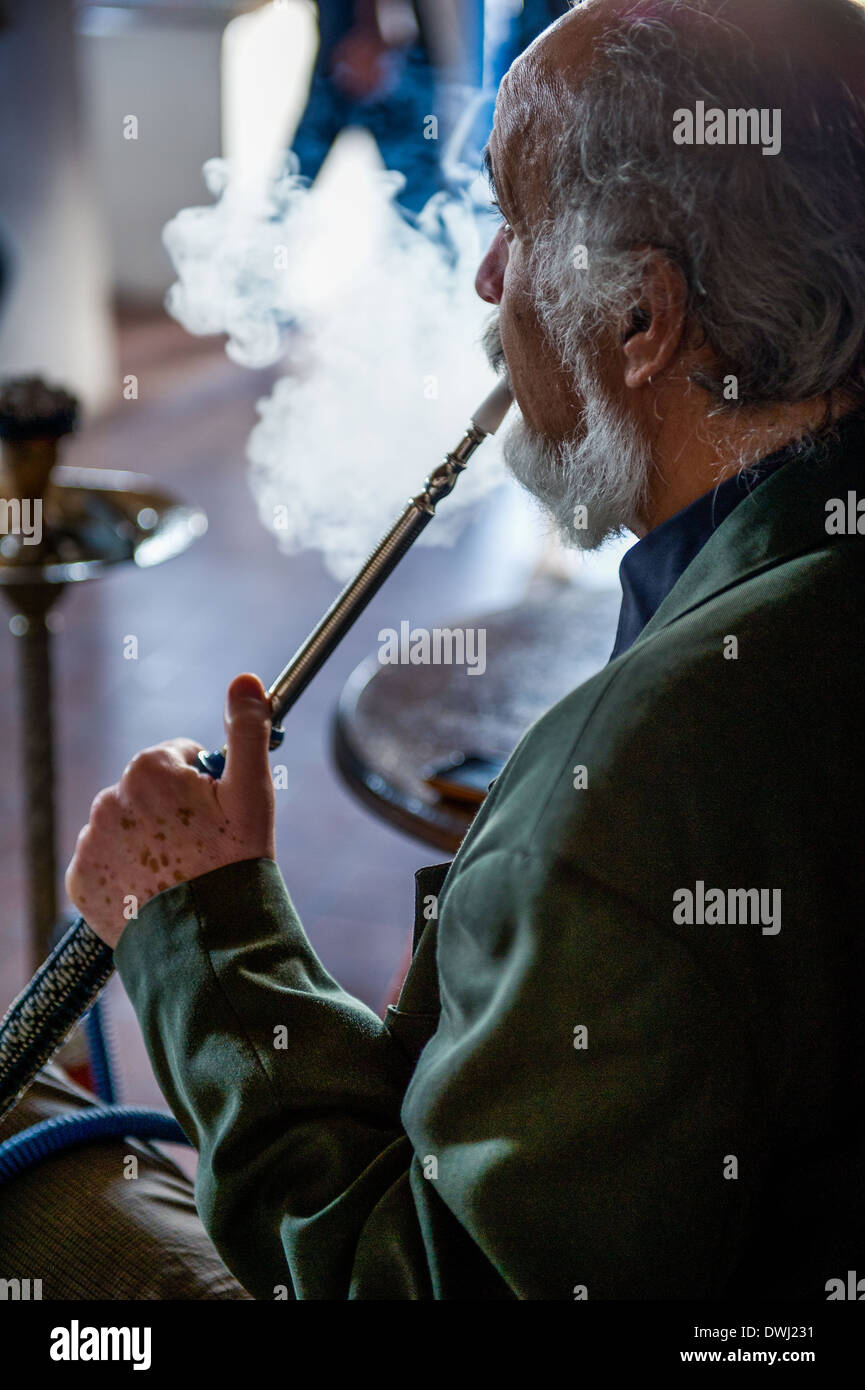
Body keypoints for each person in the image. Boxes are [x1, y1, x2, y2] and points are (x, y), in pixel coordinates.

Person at [67, 0, 865, 1299]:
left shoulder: (629, 787)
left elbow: (422, 1284)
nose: (486, 276)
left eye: (515, 220)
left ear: (640, 320)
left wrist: (202, 934)